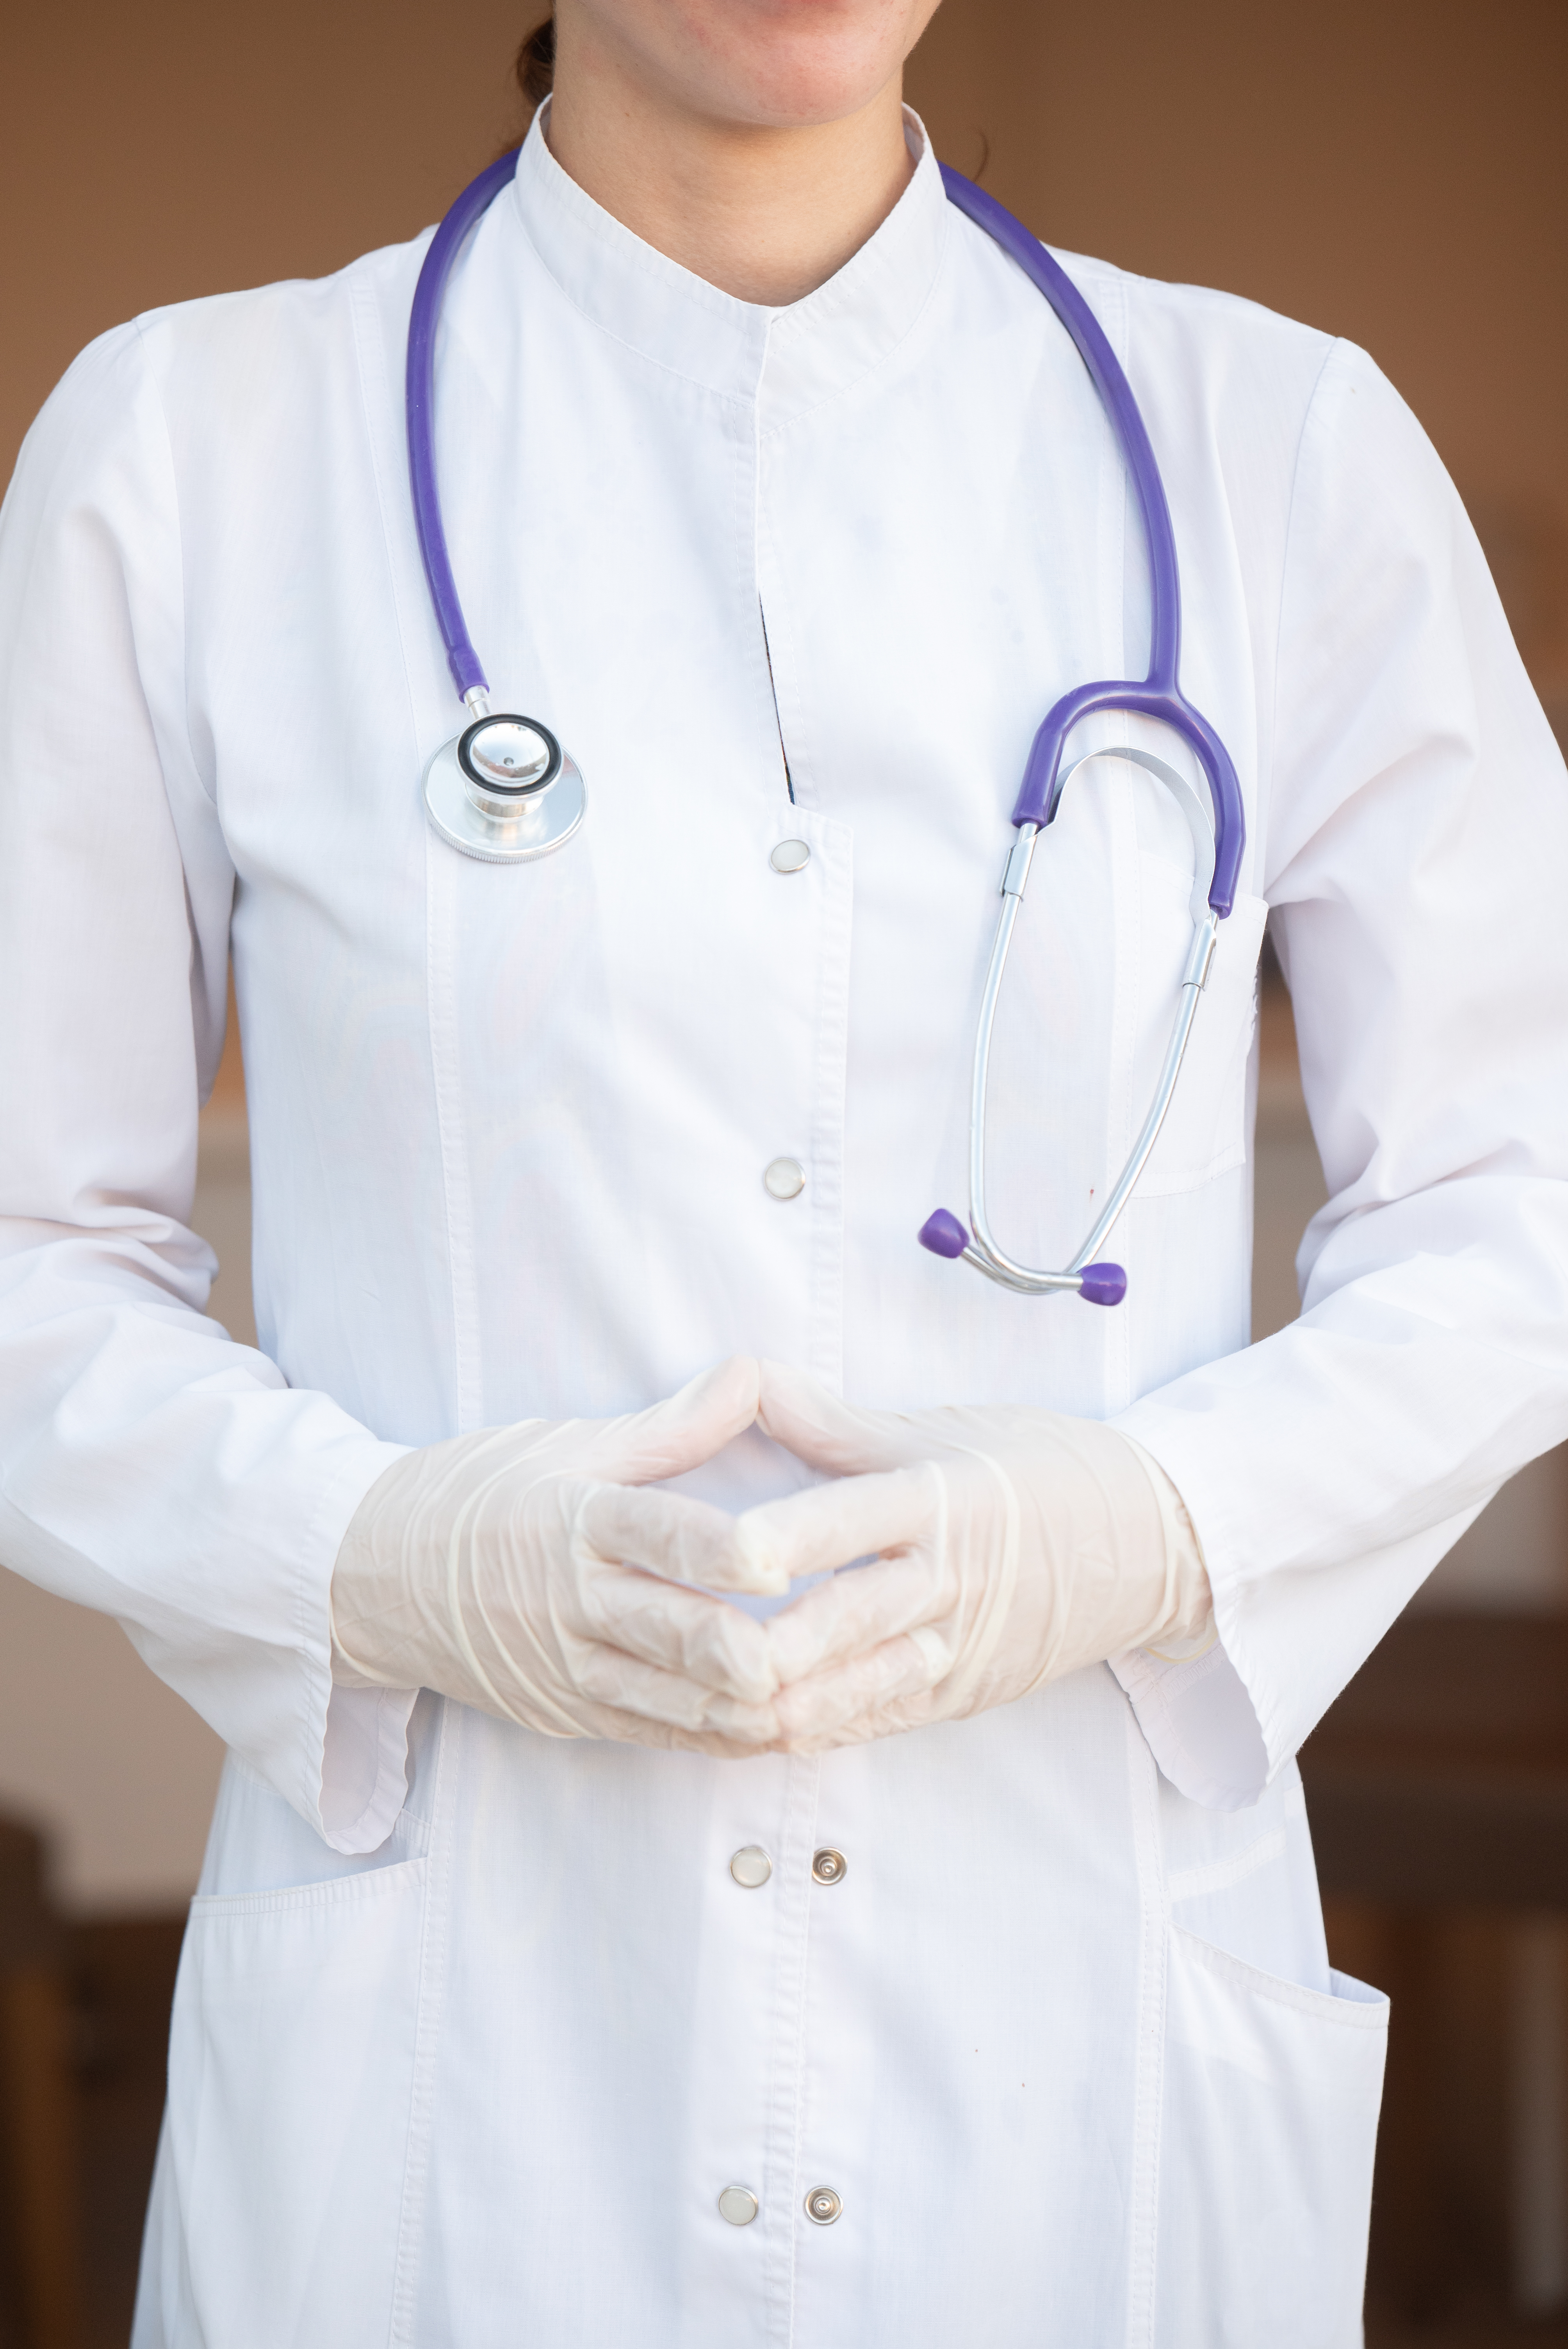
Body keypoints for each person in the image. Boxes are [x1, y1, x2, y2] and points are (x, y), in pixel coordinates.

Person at [1, 0, 1565, 2340]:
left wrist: (1159, 1529)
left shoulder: (1280, 448)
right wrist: (370, 1562)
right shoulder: (190, 449)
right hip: (461, 2074)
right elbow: (27, 1250)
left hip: (1075, 2030)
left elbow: (1523, 1198)